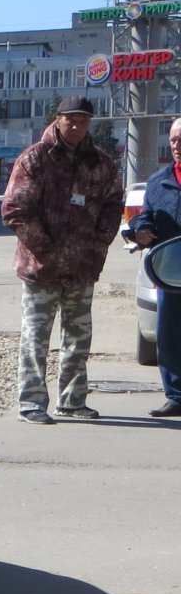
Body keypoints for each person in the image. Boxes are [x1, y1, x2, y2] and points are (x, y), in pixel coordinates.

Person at [1, 94, 124, 424]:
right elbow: (15, 211)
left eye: (83, 121)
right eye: (71, 119)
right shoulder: (36, 159)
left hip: (83, 268)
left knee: (78, 338)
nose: (76, 126)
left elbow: (114, 206)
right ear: (58, 119)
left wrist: (98, 246)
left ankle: (71, 401)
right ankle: (32, 403)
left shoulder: (101, 163)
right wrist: (49, 251)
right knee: (35, 339)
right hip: (41, 269)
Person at [126, 115, 181, 418]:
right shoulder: (158, 181)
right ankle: (175, 396)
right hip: (170, 272)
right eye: (173, 139)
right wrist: (140, 227)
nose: (177, 145)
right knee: (169, 336)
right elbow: (145, 215)